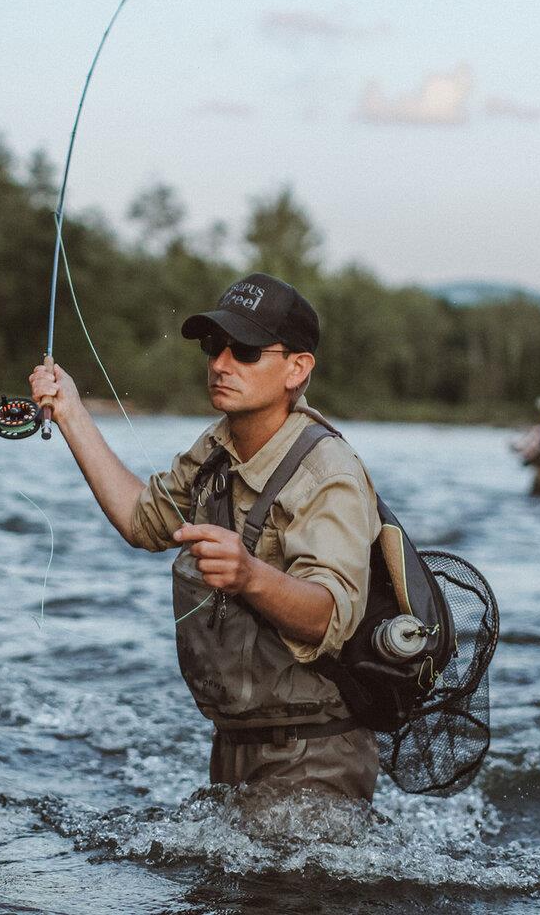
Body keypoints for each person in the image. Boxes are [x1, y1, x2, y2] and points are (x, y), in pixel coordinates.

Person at [29, 273, 382, 800]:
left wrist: (249, 575)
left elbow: (330, 615)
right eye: (214, 347)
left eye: (244, 350)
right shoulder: (215, 449)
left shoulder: (329, 472)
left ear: (297, 368)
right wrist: (71, 412)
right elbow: (140, 520)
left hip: (316, 756)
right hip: (234, 745)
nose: (220, 364)